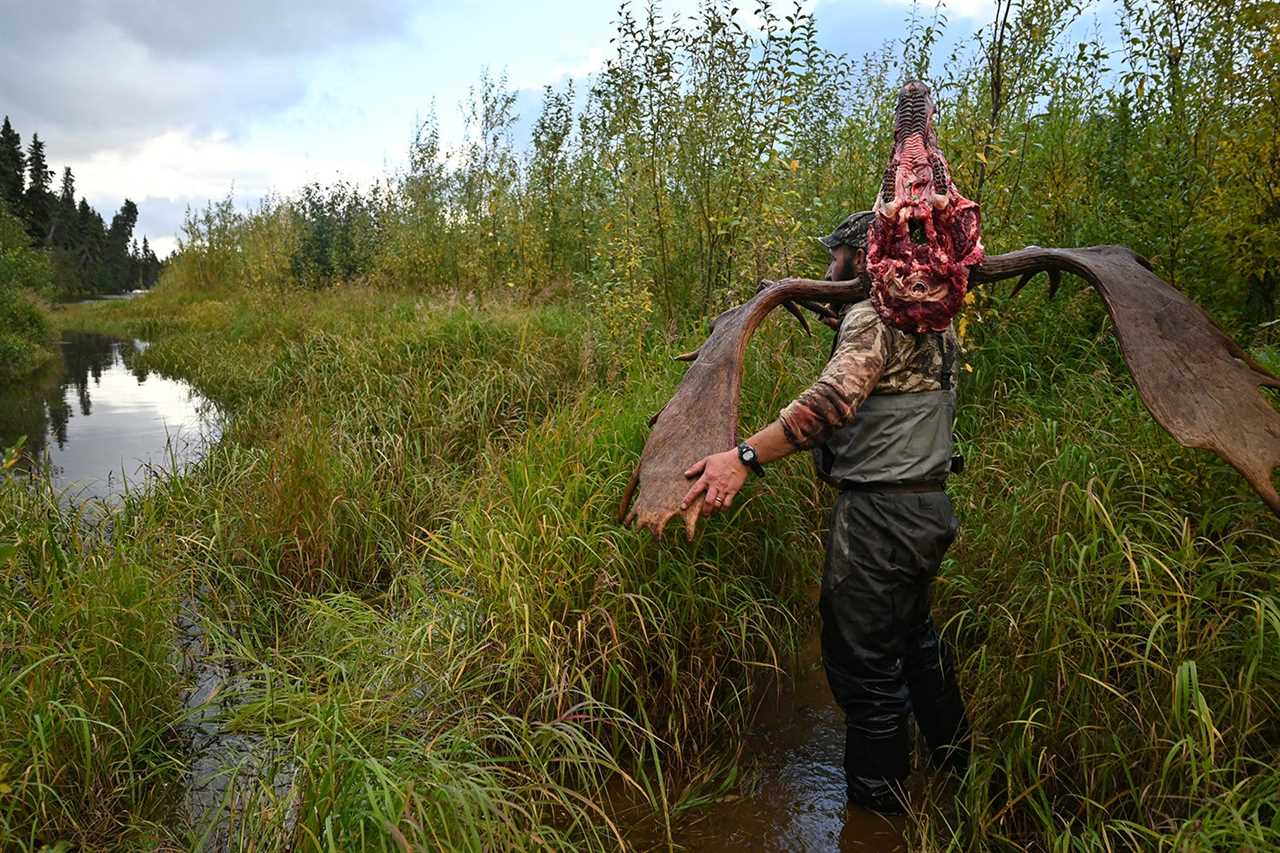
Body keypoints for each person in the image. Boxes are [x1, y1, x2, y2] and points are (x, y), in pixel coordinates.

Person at [680, 211, 971, 814]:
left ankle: (876, 818)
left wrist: (743, 457)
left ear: (860, 258)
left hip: (880, 518)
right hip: (926, 509)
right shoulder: (935, 321)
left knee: (863, 668)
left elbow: (832, 402)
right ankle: (956, 772)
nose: (825, 270)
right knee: (913, 640)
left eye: (834, 258)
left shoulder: (874, 317)